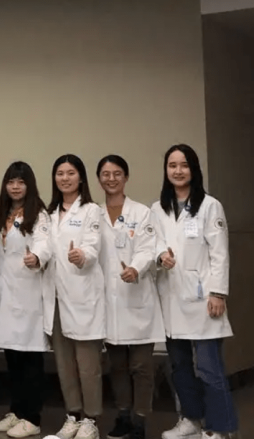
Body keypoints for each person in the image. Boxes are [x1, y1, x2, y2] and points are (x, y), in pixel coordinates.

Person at [152, 144, 238, 439]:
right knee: (179, 367)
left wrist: (218, 293)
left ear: (194, 169)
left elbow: (220, 253)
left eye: (184, 165)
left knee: (210, 370)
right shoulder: (158, 208)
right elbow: (154, 244)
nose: (178, 171)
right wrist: (160, 256)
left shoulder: (209, 206)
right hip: (172, 299)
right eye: (172, 165)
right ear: (166, 170)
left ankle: (220, 429)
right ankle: (191, 419)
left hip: (204, 300)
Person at [96, 155, 165, 439]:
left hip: (137, 298)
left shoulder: (142, 213)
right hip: (109, 301)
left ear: (126, 177)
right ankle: (123, 415)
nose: (111, 179)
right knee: (117, 366)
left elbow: (148, 248)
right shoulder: (94, 214)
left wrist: (135, 268)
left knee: (141, 366)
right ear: (99, 179)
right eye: (106, 174)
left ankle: (140, 419)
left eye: (117, 173)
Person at [43, 154, 105, 439]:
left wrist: (82, 255)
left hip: (82, 295)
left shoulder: (91, 210)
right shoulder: (48, 213)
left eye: (70, 173)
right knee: (64, 362)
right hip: (55, 297)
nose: (65, 178)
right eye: (60, 173)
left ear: (81, 178)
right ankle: (73, 415)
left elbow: (93, 245)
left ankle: (91, 419)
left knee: (87, 364)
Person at [0, 161, 51, 439]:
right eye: (11, 182)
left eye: (21, 182)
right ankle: (16, 411)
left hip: (29, 296)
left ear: (29, 185)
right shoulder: (2, 214)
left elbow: (44, 243)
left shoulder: (39, 214)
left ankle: (32, 417)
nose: (15, 187)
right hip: (6, 295)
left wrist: (36, 257)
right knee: (12, 357)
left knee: (30, 360)